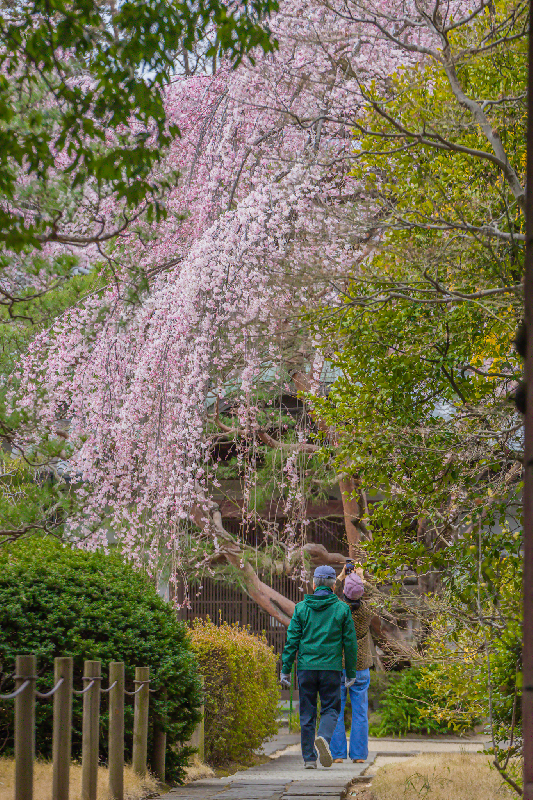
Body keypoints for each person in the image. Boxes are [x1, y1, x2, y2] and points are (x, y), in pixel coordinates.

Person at [279, 565, 358, 769]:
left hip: (306, 667)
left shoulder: (301, 608)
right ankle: (323, 737)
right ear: (334, 586)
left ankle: (309, 759)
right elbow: (350, 643)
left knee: (307, 711)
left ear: (314, 584)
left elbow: (292, 641)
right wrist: (350, 672)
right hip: (331, 668)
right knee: (331, 708)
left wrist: (285, 669)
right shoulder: (342, 609)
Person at [329, 567, 374, 764]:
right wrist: (362, 579)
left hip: (338, 665)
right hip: (360, 666)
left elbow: (328, 595)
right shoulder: (367, 610)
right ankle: (359, 755)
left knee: (336, 710)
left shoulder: (337, 609)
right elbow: (377, 597)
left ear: (345, 592)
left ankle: (338, 754)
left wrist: (340, 577)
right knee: (360, 711)